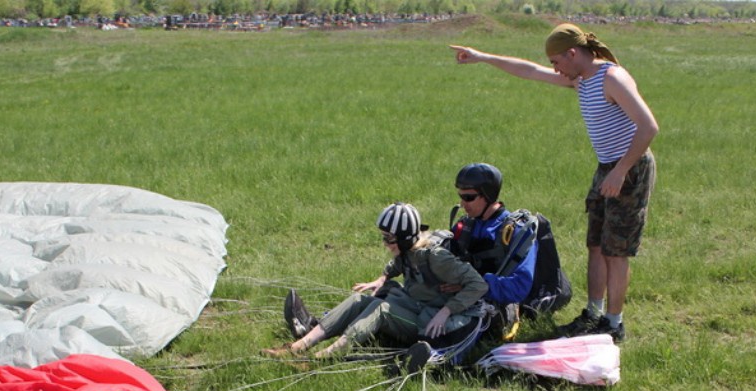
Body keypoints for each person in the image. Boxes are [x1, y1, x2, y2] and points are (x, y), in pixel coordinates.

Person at [450, 23, 658, 342]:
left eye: (557, 62)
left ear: (572, 53)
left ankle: (614, 324)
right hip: (608, 167)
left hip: (630, 167)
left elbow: (648, 127)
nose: (555, 69)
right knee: (596, 245)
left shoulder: (612, 78)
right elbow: (529, 71)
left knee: (616, 251)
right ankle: (593, 314)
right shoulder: (581, 79)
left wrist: (620, 171)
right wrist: (482, 57)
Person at [264, 202, 488, 359]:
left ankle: (325, 357)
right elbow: (399, 263)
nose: (385, 243)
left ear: (404, 238)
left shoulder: (437, 257)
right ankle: (299, 346)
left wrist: (446, 311)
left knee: (381, 309)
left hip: (432, 321)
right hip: (418, 306)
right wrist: (382, 278)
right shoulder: (408, 250)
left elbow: (479, 285)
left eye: (389, 239)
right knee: (358, 300)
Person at [448, 163, 537, 341]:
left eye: (468, 197)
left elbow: (520, 286)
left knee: (462, 325)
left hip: (493, 303)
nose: (462, 204)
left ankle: (439, 353)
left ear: (488, 195)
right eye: (461, 197)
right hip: (460, 296)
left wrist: (474, 285)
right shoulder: (464, 226)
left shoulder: (517, 232)